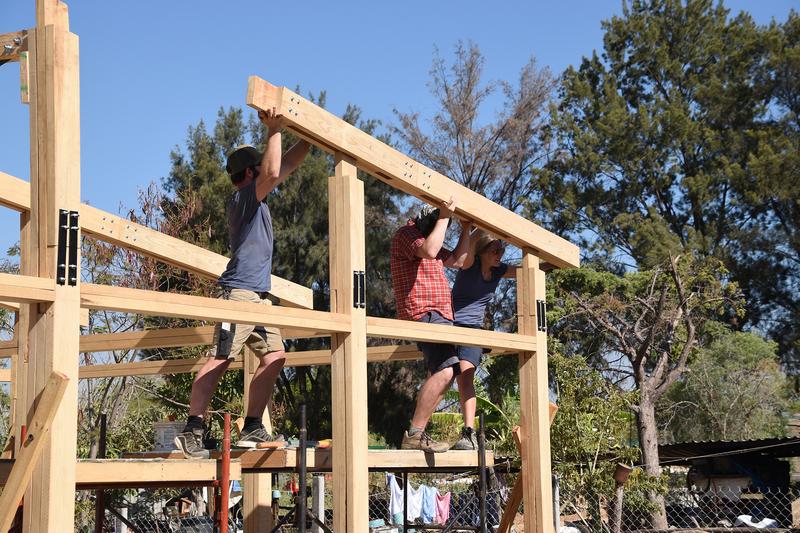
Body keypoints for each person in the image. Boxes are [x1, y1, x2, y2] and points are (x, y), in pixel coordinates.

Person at [175, 107, 310, 459]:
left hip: (259, 297)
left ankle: (251, 423)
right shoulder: (243, 199)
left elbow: (287, 165)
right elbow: (274, 169)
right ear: (250, 172)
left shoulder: (258, 197)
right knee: (221, 357)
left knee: (276, 356)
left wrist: (309, 138)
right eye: (262, 169)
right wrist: (275, 129)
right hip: (237, 294)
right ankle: (192, 427)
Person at [390, 197, 472, 452]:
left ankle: (417, 433)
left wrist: (467, 228)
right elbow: (429, 251)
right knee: (448, 370)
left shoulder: (430, 238)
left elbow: (461, 261)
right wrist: (446, 215)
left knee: (448, 372)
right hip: (423, 312)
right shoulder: (407, 234)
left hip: (439, 315)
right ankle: (415, 433)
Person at [449, 233, 518, 450]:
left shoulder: (498, 271)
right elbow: (468, 243)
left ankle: (468, 433)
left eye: (502, 251)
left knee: (466, 375)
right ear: (481, 252)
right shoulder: (470, 264)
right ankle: (420, 429)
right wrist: (475, 226)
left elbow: (526, 271)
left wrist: (548, 264)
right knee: (443, 377)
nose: (499, 254)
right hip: (451, 325)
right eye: (494, 250)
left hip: (474, 330)